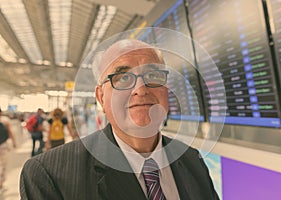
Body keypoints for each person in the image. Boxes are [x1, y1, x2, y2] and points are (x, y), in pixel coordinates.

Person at [20, 39, 219, 199]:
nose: (141, 90)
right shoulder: (49, 176)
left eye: (153, 75)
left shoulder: (192, 160)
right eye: (123, 78)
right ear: (101, 97)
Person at [0, 107, 16, 193]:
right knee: (3, 165)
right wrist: (14, 142)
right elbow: (10, 132)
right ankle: (1, 184)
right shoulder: (5, 120)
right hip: (3, 146)